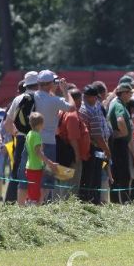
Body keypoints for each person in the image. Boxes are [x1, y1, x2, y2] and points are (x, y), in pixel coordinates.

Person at [32, 70, 76, 201]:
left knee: (35, 174)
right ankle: (41, 204)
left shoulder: (33, 96)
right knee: (47, 177)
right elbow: (72, 108)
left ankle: (33, 203)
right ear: (50, 84)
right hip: (49, 142)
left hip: (33, 139)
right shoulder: (54, 100)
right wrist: (66, 91)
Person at [2, 71, 39, 204]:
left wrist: (17, 133)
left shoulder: (18, 99)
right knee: (38, 172)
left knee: (17, 172)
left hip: (22, 139)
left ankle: (11, 203)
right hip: (39, 140)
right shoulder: (42, 97)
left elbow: (7, 124)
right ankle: (35, 203)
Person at [79, 84, 112, 205]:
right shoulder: (89, 111)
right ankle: (92, 201)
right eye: (95, 97)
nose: (97, 100)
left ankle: (93, 200)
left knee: (96, 172)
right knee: (93, 175)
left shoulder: (91, 107)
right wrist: (107, 151)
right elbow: (98, 136)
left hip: (95, 147)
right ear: (88, 97)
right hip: (94, 147)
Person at [56, 88, 88, 198]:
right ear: (78, 100)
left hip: (63, 156)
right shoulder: (72, 115)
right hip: (71, 158)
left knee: (63, 185)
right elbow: (73, 138)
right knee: (70, 187)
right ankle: (67, 210)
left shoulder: (62, 111)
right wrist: (77, 157)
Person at [108, 83, 134, 204]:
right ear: (124, 93)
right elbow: (120, 119)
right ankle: (124, 202)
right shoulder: (119, 105)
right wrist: (124, 133)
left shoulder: (118, 103)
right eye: (130, 93)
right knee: (123, 175)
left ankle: (116, 202)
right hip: (119, 145)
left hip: (117, 144)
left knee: (116, 175)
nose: (131, 95)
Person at [23, 112, 58, 205]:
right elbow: (38, 152)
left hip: (30, 166)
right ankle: (33, 212)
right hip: (35, 168)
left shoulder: (29, 134)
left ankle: (29, 207)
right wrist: (49, 163)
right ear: (40, 124)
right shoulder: (36, 135)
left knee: (32, 192)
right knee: (35, 195)